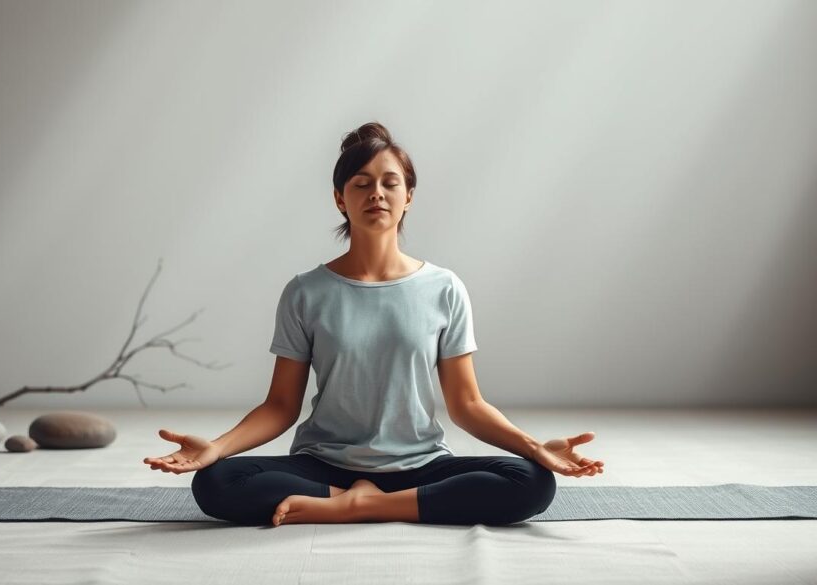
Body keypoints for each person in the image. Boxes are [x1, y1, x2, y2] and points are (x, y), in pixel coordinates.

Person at [144, 121, 604, 527]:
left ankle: (353, 507)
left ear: (408, 197)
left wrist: (533, 447)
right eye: (361, 184)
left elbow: (466, 404)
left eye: (389, 183)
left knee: (531, 480)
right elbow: (281, 406)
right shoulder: (306, 292)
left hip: (419, 464)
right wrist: (216, 448)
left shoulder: (444, 288)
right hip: (323, 463)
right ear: (340, 199)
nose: (376, 194)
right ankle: (370, 500)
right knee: (216, 482)